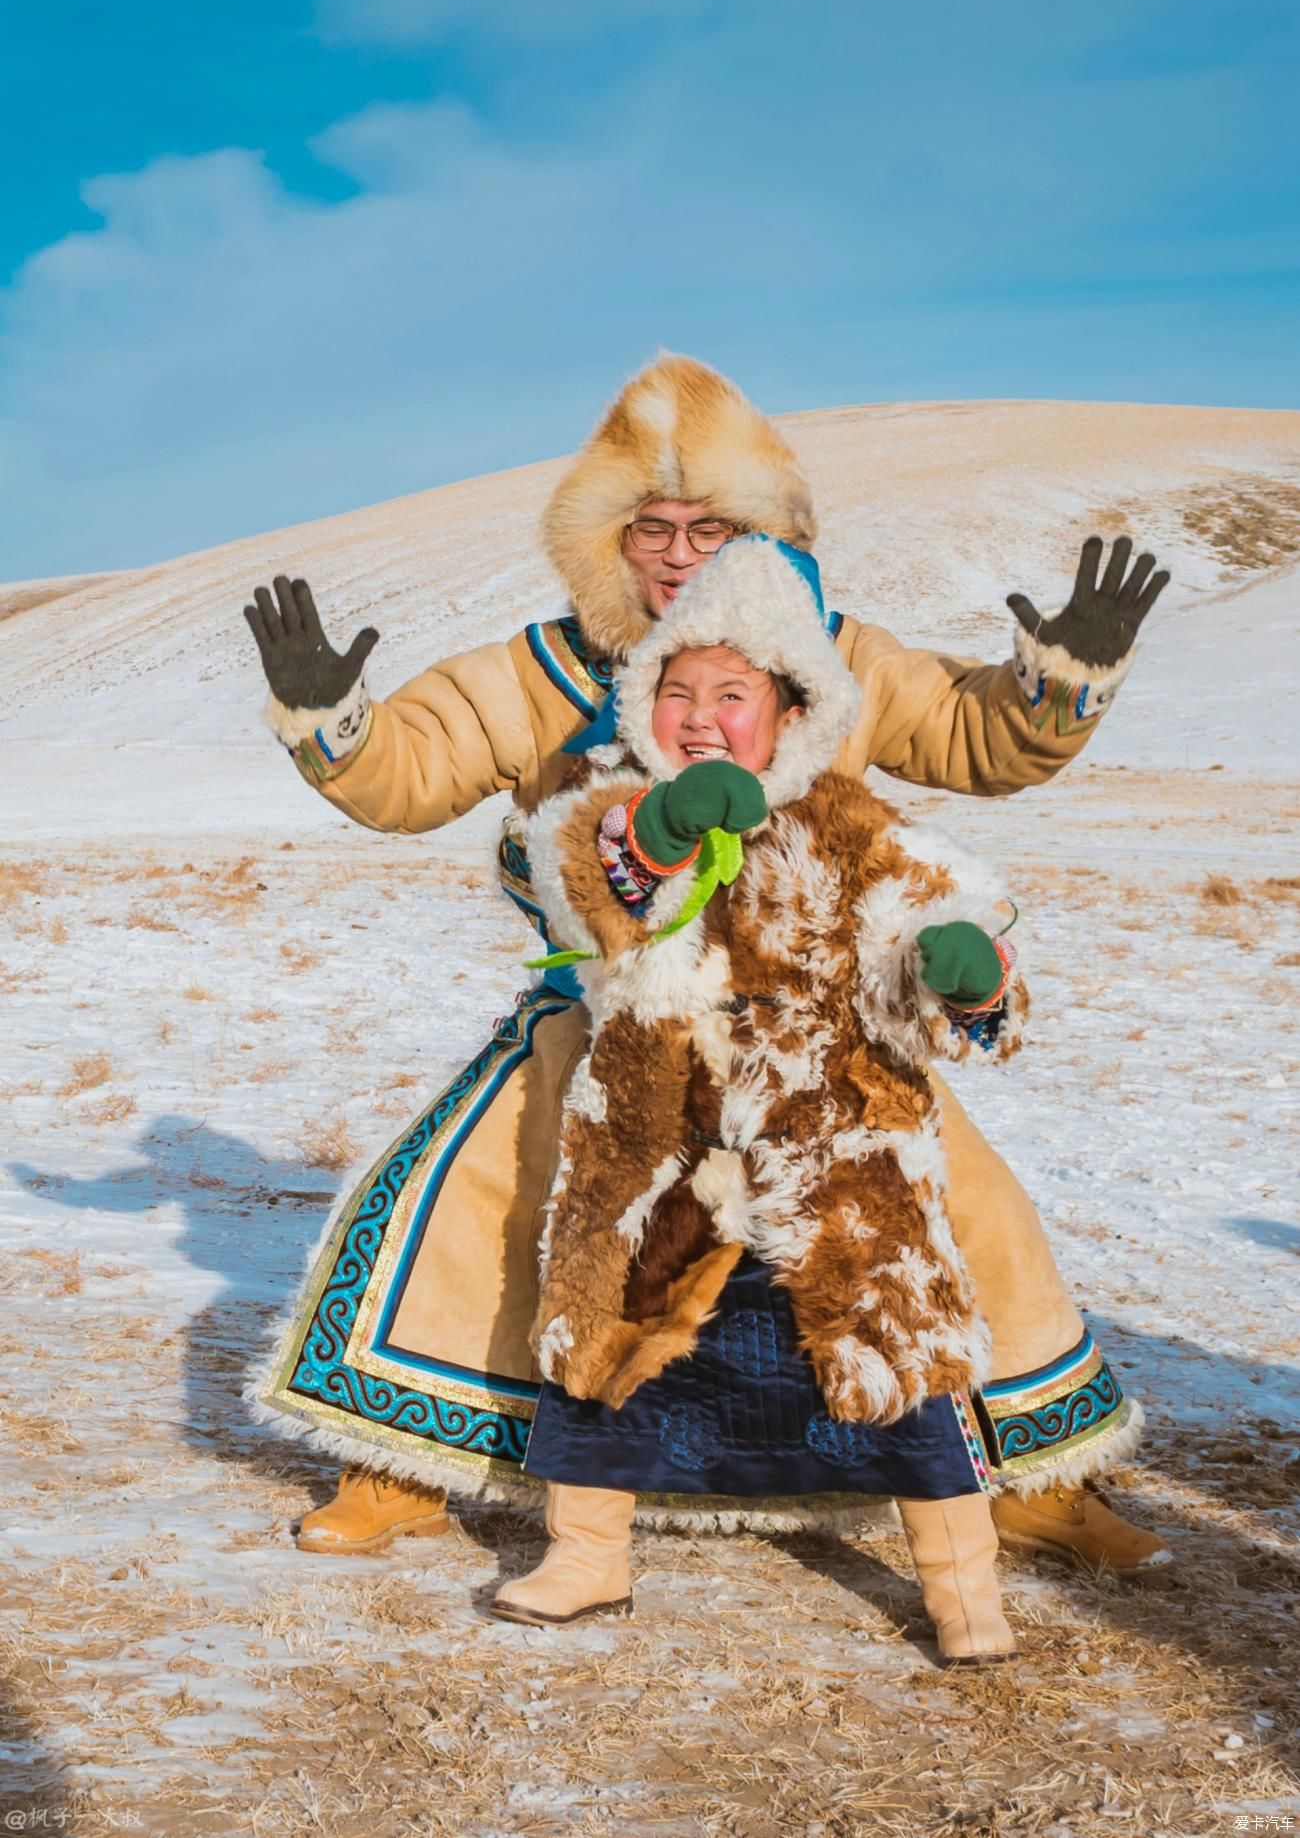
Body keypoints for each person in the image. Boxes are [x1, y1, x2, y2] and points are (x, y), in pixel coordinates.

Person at [244, 353, 1171, 1573]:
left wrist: (1055, 684)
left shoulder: (831, 659)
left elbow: (971, 734)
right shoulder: (540, 668)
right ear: (608, 548)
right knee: (467, 1193)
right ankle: (399, 1465)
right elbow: (412, 767)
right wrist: (337, 722)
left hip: (813, 1023)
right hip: (613, 1005)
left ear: (766, 535)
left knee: (971, 1210)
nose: (677, 554)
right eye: (651, 530)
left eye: (709, 527)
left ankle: (1031, 1482)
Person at [491, 537, 1026, 1660]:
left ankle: (964, 1589)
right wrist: (667, 827)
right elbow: (590, 890)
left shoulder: (853, 828)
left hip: (834, 1152)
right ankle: (586, 1557)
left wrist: (958, 967)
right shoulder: (608, 803)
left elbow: (921, 922)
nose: (697, 714)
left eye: (728, 694)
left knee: (898, 1354)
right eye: (674, 690)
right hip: (657, 1144)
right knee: (608, 1348)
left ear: (789, 709)